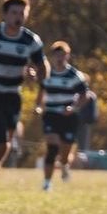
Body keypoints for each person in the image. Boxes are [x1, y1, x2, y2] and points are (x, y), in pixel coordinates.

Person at [0, 0, 49, 214]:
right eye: (14, 13)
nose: (18, 17)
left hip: (12, 97)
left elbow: (42, 69)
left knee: (2, 148)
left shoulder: (30, 41)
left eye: (22, 13)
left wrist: (35, 73)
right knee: (0, 146)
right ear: (5, 14)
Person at [34, 41, 93, 190]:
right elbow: (41, 93)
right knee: (52, 148)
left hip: (68, 116)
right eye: (57, 55)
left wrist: (73, 108)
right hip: (51, 115)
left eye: (63, 55)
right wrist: (38, 107)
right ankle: (47, 183)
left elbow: (85, 95)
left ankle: (65, 165)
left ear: (68, 56)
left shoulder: (74, 75)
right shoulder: (47, 74)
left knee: (65, 152)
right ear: (52, 56)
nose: (60, 58)